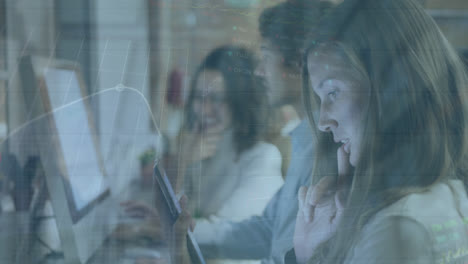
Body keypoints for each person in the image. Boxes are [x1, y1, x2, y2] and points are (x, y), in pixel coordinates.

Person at [287, 0, 468, 263]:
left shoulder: (395, 227)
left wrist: (306, 257)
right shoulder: (448, 195)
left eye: (333, 92)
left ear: (392, 89)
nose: (323, 121)